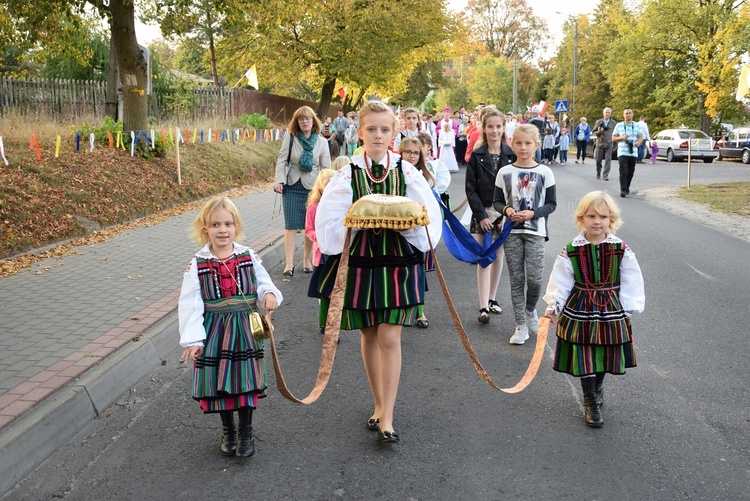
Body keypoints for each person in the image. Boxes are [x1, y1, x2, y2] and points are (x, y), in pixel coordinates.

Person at [315, 100, 442, 444]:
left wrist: (405, 227)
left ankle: (388, 415)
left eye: (385, 129)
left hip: (398, 261)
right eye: (371, 129)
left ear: (394, 133)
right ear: (359, 132)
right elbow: (327, 226)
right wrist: (356, 223)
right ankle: (377, 402)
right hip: (362, 259)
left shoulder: (408, 172)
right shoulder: (347, 174)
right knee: (369, 334)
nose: (378, 135)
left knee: (390, 335)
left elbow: (429, 219)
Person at [178, 195, 283, 458]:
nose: (222, 230)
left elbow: (263, 282)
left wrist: (269, 294)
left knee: (245, 380)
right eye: (215, 225)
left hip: (245, 329)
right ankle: (229, 431)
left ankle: (246, 432)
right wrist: (193, 340)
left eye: (227, 224)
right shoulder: (197, 263)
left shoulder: (248, 255)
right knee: (221, 381)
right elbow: (191, 303)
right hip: (214, 330)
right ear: (205, 229)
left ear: (236, 226)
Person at [543, 191, 644, 427]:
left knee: (605, 352)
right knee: (584, 352)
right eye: (591, 215)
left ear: (612, 220)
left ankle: (598, 387)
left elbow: (631, 278)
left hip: (610, 308)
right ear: (581, 219)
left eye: (603, 216)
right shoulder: (572, 249)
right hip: (580, 308)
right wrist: (553, 305)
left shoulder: (620, 248)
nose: (597, 221)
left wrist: (628, 307)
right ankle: (590, 399)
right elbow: (561, 280)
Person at [493, 124, 557, 345]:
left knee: (536, 279)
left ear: (536, 145)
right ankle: (520, 325)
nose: (523, 147)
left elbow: (551, 204)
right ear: (512, 144)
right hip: (511, 233)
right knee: (516, 279)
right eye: (518, 143)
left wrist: (533, 213)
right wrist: (507, 210)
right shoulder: (505, 172)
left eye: (528, 143)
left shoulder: (545, 172)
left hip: (536, 232)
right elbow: (497, 201)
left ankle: (530, 310)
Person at [466, 108, 515, 323]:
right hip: (483, 212)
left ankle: (493, 299)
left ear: (503, 127)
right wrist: (481, 215)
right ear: (484, 129)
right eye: (490, 126)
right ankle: (483, 306)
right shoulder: (477, 156)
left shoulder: (512, 154)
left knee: (499, 256)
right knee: (485, 256)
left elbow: (516, 188)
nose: (494, 130)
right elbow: (470, 189)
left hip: (504, 213)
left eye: (498, 126)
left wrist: (507, 213)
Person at [274, 106, 331, 276]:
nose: (304, 122)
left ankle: (307, 259)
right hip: (291, 185)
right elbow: (281, 160)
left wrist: (326, 188)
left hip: (313, 188)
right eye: (301, 119)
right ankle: (289, 263)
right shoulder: (291, 139)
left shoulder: (322, 142)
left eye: (307, 118)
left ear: (313, 121)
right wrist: (279, 180)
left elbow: (326, 167)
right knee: (290, 225)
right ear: (296, 122)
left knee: (309, 225)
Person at [399, 136, 438, 329]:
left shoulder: (425, 175)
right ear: (401, 152)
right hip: (398, 230)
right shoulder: (394, 172)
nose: (412, 156)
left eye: (415, 152)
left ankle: (420, 312)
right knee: (399, 271)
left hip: (418, 229)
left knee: (418, 272)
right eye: (408, 152)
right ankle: (401, 309)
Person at [305, 169, 337, 328]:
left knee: (335, 292)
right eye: (327, 183)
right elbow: (308, 229)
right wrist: (320, 237)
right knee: (324, 293)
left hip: (336, 254)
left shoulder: (339, 205)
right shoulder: (314, 207)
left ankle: (334, 324)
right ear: (320, 186)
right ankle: (324, 322)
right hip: (322, 255)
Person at [612, 108, 643, 198]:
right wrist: (622, 137)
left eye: (629, 113)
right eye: (626, 113)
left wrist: (638, 142)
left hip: (633, 152)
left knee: (631, 171)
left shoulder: (637, 125)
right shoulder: (619, 125)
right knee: (623, 170)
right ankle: (623, 189)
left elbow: (640, 136)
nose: (628, 115)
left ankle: (627, 187)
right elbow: (613, 138)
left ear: (632, 115)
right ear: (623, 115)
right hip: (622, 152)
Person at [593, 108, 616, 180]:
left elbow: (616, 134)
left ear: (610, 114)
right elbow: (593, 132)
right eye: (606, 112)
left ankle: (605, 174)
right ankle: (598, 172)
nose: (607, 114)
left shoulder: (613, 123)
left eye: (609, 112)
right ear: (603, 113)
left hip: (609, 144)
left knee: (608, 160)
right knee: (598, 160)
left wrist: (615, 145)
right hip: (600, 143)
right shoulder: (598, 122)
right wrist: (598, 132)